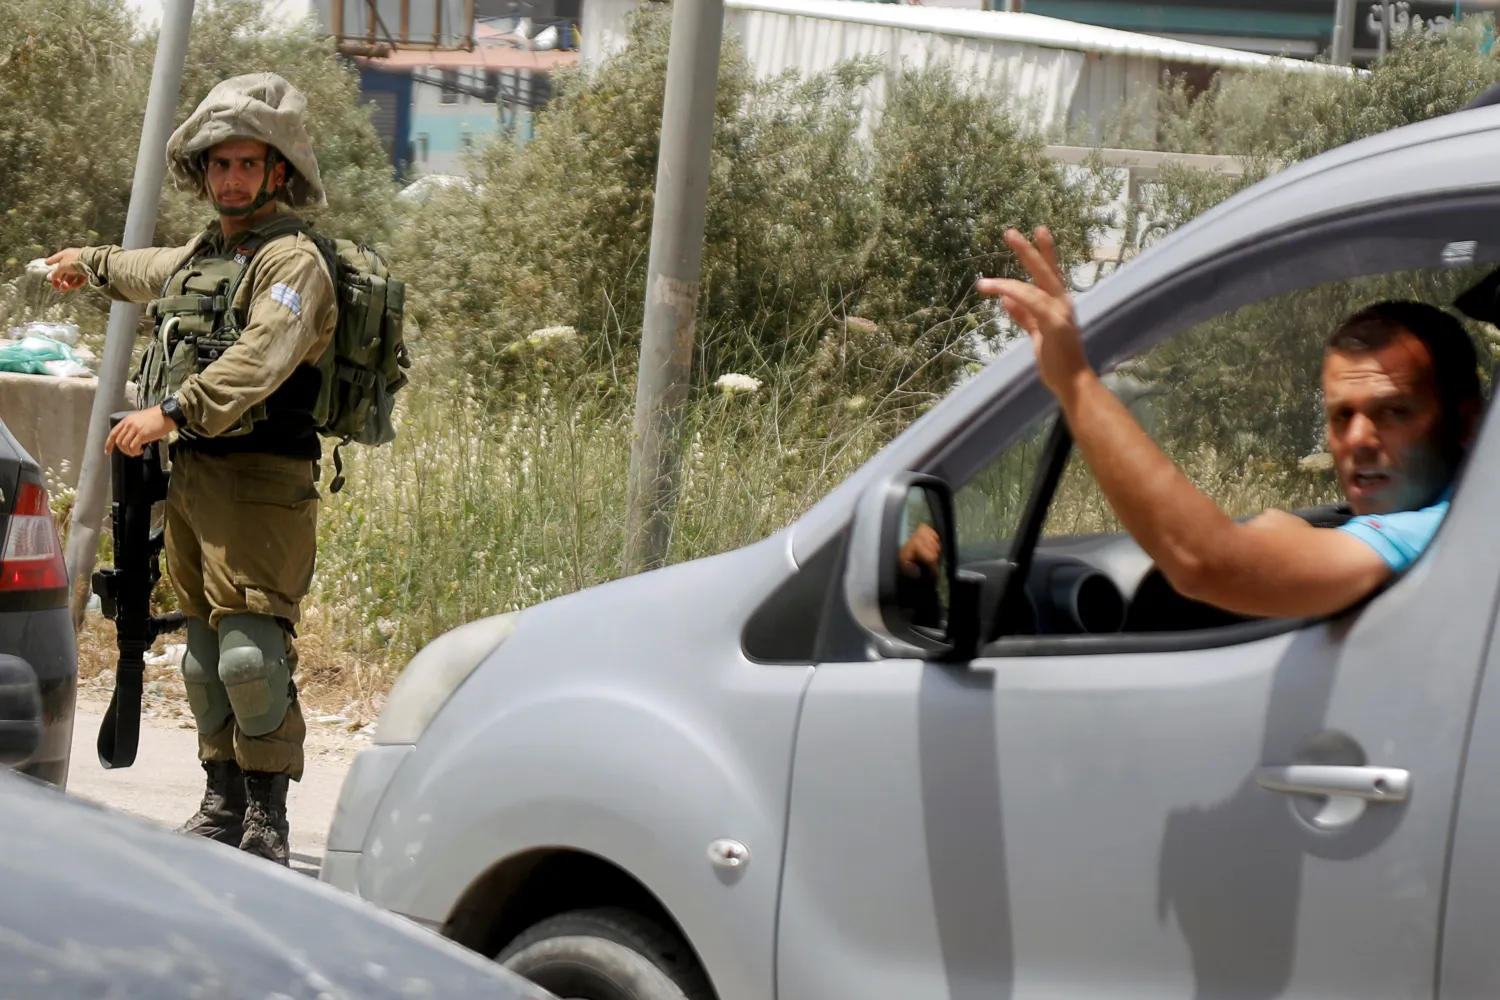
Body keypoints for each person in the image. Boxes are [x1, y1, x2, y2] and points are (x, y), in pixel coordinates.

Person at [46, 73, 337, 865]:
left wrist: (169, 412)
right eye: (220, 165)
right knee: (206, 654)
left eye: (248, 164)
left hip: (264, 482)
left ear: (278, 172)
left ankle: (269, 817)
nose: (232, 179)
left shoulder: (293, 261)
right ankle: (222, 801)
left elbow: (259, 358)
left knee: (250, 652)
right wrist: (89, 262)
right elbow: (154, 271)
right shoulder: (212, 251)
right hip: (198, 480)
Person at [973, 226, 1483, 620]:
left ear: (1466, 424)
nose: (1359, 441)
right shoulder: (1463, 519)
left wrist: (1076, 383)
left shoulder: (1430, 531)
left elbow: (1206, 562)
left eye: (1394, 413)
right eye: (1341, 415)